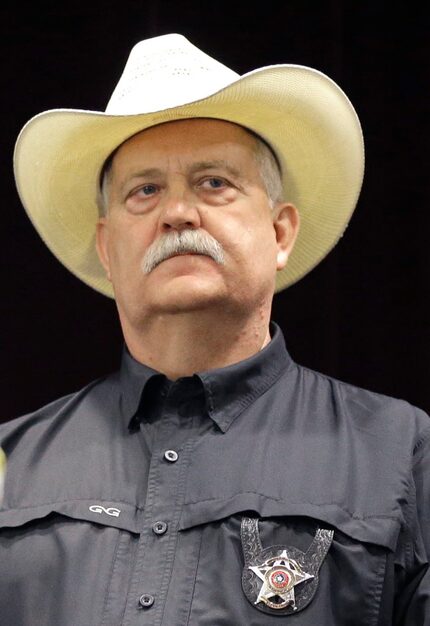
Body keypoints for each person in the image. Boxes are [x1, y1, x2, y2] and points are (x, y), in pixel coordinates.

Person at [0, 33, 428, 626]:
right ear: (106, 246)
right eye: (145, 190)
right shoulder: (10, 462)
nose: (177, 212)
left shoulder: (402, 451)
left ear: (280, 233)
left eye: (214, 183)